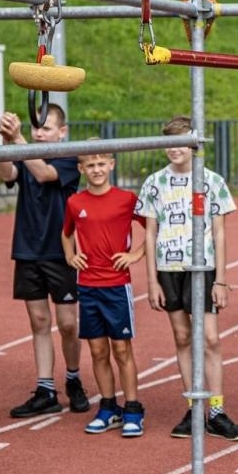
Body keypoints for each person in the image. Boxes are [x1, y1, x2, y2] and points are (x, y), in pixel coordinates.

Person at [136, 117, 238, 441]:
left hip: (202, 269)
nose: (174, 148)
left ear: (193, 144)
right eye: (168, 141)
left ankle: (216, 410)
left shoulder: (211, 180)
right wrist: (151, 282)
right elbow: (149, 233)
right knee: (182, 337)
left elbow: (220, 231)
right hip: (168, 270)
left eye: (180, 141)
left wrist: (222, 280)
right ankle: (192, 409)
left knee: (211, 338)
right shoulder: (154, 183)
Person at [0, 106, 86, 420]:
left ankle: (73, 377)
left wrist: (19, 140)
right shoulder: (25, 150)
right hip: (28, 248)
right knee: (39, 321)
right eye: (36, 129)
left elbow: (45, 174)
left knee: (69, 323)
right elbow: (7, 174)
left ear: (62, 132)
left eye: (46, 128)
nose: (40, 133)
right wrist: (7, 141)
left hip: (61, 251)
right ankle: (46, 389)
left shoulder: (69, 157)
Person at [60, 146, 146, 435]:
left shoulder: (126, 199)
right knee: (97, 351)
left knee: (121, 349)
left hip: (117, 286)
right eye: (90, 165)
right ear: (81, 169)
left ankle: (133, 407)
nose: (96, 169)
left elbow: (154, 228)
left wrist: (135, 255)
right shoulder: (75, 202)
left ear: (111, 164)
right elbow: (66, 233)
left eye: (101, 163)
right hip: (88, 285)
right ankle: (109, 407)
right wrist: (71, 256)